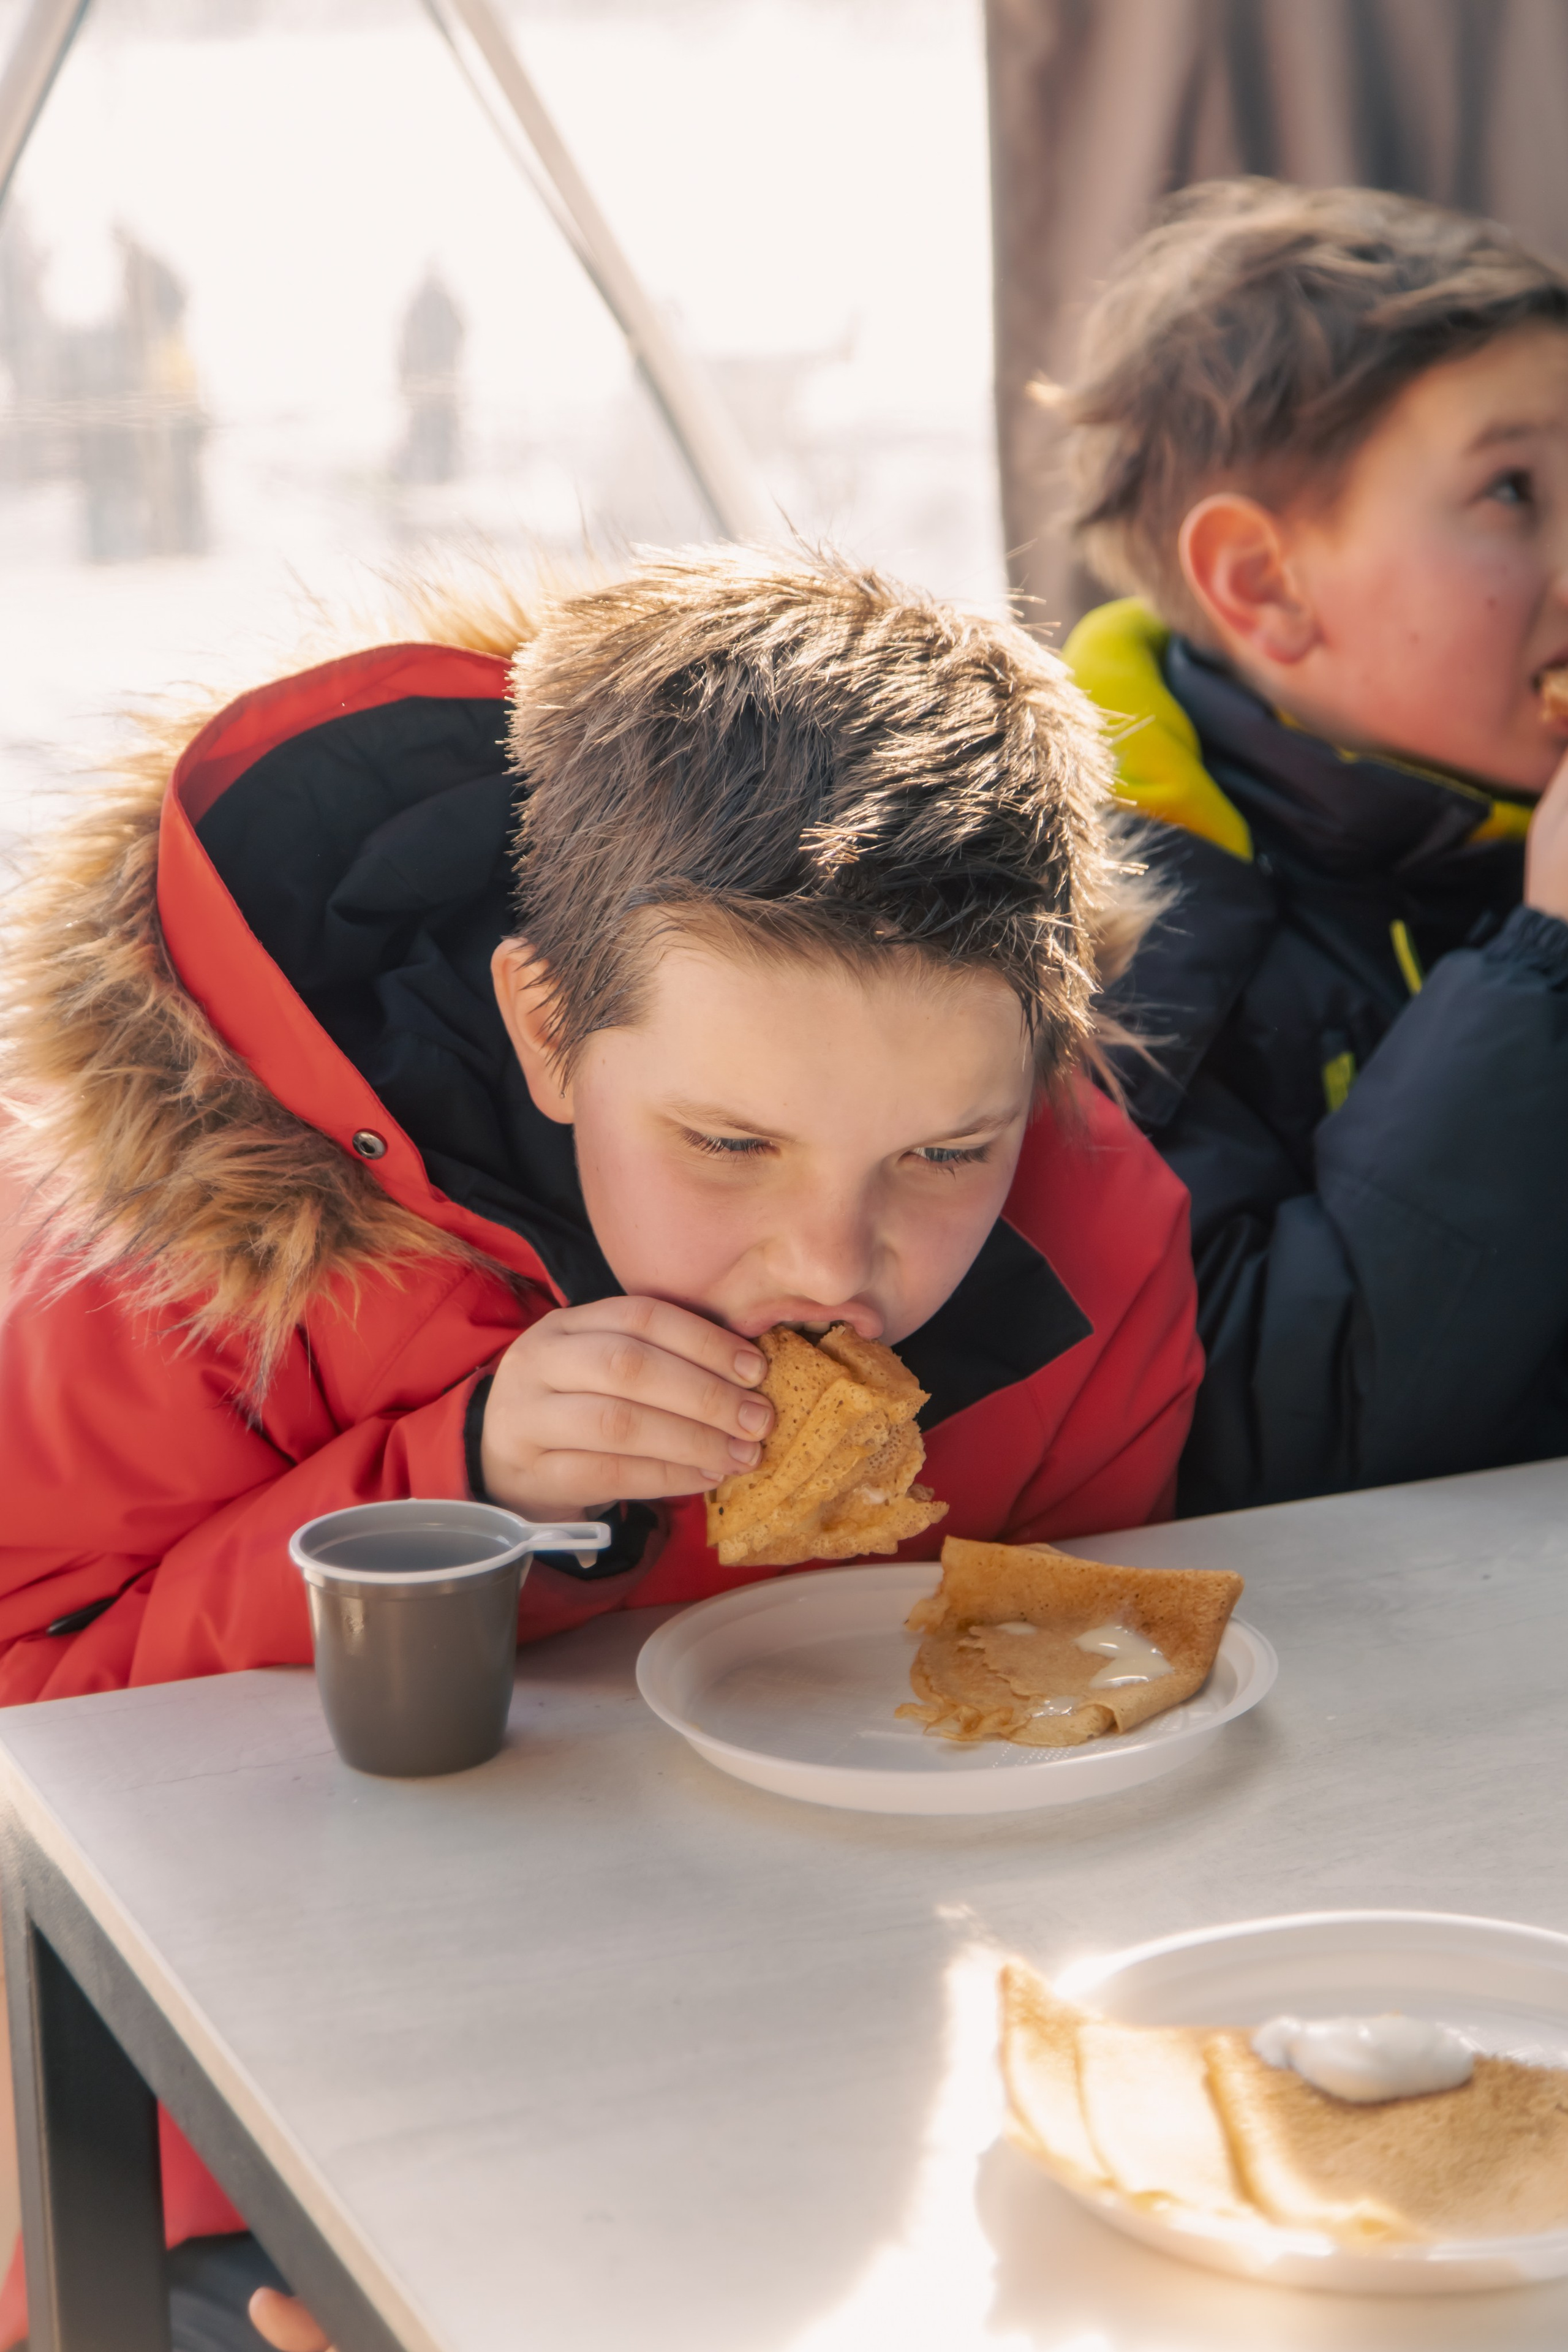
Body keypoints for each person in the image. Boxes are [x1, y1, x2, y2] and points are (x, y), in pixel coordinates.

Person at [0, 549, 1201, 2347]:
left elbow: (1078, 1732)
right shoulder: (177, 1242)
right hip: (222, 2152)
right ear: (549, 1031)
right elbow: (42, 1748)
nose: (833, 1265)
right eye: (728, 1145)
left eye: (947, 1153)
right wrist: (455, 1486)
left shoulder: (1087, 1237)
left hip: (811, 2082)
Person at [1052, 178, 1568, 1516]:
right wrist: (1544, 963)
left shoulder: (1504, 815)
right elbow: (1272, 1439)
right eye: (1512, 490)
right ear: (1264, 585)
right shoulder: (1105, 935)